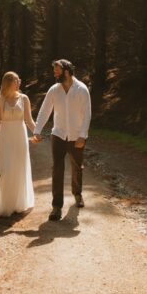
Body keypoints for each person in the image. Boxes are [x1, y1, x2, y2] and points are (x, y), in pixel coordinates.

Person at [31, 59, 92, 221]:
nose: (54, 74)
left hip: (76, 136)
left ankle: (77, 194)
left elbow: (87, 114)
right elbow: (44, 111)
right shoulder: (54, 90)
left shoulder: (81, 89)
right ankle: (56, 207)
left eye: (57, 71)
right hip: (58, 135)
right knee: (57, 169)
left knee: (77, 166)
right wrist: (37, 130)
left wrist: (82, 135)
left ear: (66, 71)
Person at [0, 71, 36, 217]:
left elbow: (29, 121)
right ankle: (5, 204)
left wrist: (37, 133)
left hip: (20, 137)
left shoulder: (24, 99)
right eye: (17, 80)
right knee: (5, 170)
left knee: (18, 168)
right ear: (9, 82)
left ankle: (18, 204)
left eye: (19, 80)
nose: (20, 82)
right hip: (4, 138)